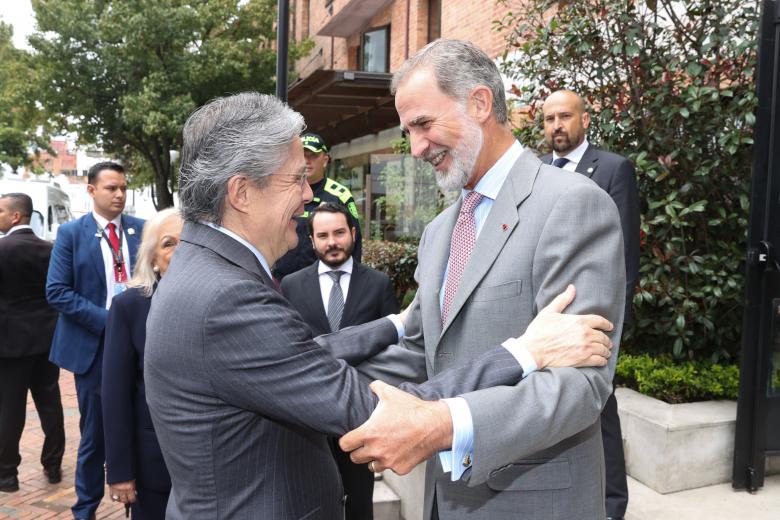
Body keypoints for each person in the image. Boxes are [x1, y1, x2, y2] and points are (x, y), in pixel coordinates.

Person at [144, 91, 616, 519]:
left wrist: (395, 325)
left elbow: (303, 355)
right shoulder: (224, 294)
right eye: (296, 179)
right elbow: (359, 405)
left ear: (478, 104)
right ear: (242, 192)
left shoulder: (204, 270)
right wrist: (526, 352)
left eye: (422, 123)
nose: (310, 196)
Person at [338, 39, 626, 520]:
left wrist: (445, 424)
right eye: (408, 131)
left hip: (535, 502)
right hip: (444, 498)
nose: (415, 148)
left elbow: (580, 386)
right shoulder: (437, 233)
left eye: (424, 124)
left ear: (479, 103)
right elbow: (425, 354)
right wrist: (309, 386)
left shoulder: (573, 203)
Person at [541, 89, 641, 520]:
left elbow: (624, 256)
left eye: (565, 116)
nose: (556, 126)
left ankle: (611, 507)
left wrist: (613, 324)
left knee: (600, 409)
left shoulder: (614, 168)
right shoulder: (539, 170)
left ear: (585, 119)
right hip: (547, 315)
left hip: (594, 314)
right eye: (548, 119)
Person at [281, 202, 399, 520]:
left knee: (359, 506)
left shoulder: (378, 285)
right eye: (323, 235)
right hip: (307, 425)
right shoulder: (291, 286)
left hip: (360, 420)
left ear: (353, 234)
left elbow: (393, 353)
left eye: (338, 233)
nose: (332, 242)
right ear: (312, 240)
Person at [46, 162, 145, 520]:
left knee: (141, 423)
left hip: (139, 346)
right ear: (91, 190)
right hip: (96, 346)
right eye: (111, 188)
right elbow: (56, 291)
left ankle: (140, 504)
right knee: (95, 434)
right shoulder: (72, 233)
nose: (119, 195)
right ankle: (84, 510)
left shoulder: (141, 230)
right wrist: (111, 322)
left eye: (123, 188)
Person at [102, 208, 182, 519]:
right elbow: (116, 395)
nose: (180, 251)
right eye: (168, 243)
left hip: (215, 466)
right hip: (155, 467)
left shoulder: (222, 302)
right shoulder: (129, 307)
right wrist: (120, 470)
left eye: (188, 242)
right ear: (152, 258)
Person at [0, 193, 65, 493]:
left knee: (10, 408)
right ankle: (53, 466)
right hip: (47, 339)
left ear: (16, 216)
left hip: (11, 343)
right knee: (50, 403)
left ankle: (7, 475)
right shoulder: (49, 249)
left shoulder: (2, 249)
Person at [272, 132, 362, 280]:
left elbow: (355, 240)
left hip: (324, 283)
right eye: (302, 155)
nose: (307, 161)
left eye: (312, 155)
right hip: (281, 281)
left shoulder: (340, 195)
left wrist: (353, 282)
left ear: (325, 160)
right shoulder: (281, 191)